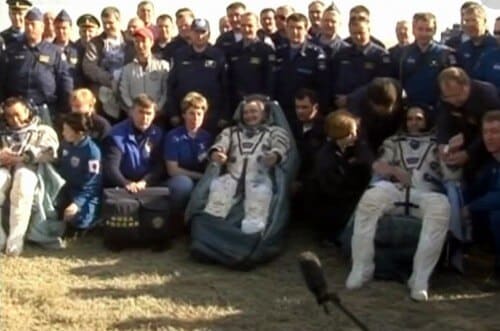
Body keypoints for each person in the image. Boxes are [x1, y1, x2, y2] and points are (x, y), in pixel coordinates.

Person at [346, 105, 458, 301]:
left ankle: (420, 278)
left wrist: (449, 157)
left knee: (441, 207)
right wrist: (394, 171)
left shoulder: (438, 144)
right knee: (370, 200)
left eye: (419, 118)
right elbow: (380, 166)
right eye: (410, 119)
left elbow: (452, 176)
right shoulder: (393, 142)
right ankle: (361, 267)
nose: (413, 123)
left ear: (427, 121)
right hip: (395, 189)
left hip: (427, 191)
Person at [203, 96, 291, 234]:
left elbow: (281, 144)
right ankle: (210, 232)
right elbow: (221, 143)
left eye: (254, 111)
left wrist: (275, 155)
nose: (249, 115)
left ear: (264, 114)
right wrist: (217, 152)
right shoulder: (231, 132)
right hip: (232, 177)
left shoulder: (274, 132)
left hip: (258, 179)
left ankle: (252, 237)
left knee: (258, 203)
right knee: (217, 198)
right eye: (246, 112)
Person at [0, 97, 60, 256]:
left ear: (27, 111)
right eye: (9, 116)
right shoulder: (2, 132)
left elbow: (50, 152)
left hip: (33, 171)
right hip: (4, 170)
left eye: (17, 114)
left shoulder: (43, 130)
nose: (14, 119)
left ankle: (15, 243)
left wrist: (21, 158)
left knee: (23, 180)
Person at [303, 110, 371, 242]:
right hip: (333, 208)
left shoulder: (355, 147)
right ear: (340, 135)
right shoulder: (325, 159)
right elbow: (336, 190)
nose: (355, 136)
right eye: (351, 133)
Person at [0, 7, 73, 123]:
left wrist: (64, 110)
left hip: (46, 110)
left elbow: (65, 82)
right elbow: (2, 79)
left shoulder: (54, 52)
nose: (29, 28)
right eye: (27, 24)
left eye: (33, 24)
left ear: (42, 27)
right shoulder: (11, 51)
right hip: (17, 112)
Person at [166, 18, 228, 134]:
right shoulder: (180, 55)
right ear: (190, 33)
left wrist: (224, 115)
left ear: (209, 34)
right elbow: (171, 85)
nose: (199, 36)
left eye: (203, 32)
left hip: (212, 117)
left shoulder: (218, 55)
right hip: (184, 116)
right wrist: (173, 113)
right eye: (196, 32)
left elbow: (226, 87)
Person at [437, 67, 500, 178]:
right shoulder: (447, 98)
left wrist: (469, 153)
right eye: (448, 97)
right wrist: (442, 143)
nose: (453, 101)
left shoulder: (487, 96)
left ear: (466, 86)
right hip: (464, 139)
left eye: (456, 96)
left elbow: (489, 132)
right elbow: (444, 121)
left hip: (489, 148)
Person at [462, 111, 500, 288]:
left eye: (495, 132)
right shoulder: (490, 165)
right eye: (486, 132)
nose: (489, 137)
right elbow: (475, 190)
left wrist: (469, 208)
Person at [274, 13, 328, 136]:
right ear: (286, 29)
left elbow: (324, 85)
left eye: (299, 28)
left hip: (307, 113)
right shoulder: (279, 52)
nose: (295, 32)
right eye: (291, 28)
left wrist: (318, 111)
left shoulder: (316, 53)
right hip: (283, 110)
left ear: (306, 29)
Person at [82, 6, 134, 122]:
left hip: (128, 92)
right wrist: (110, 80)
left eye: (110, 23)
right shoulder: (95, 43)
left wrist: (124, 80)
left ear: (119, 21)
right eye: (104, 23)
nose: (107, 26)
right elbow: (89, 67)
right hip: (103, 95)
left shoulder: (130, 42)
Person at [103, 94, 165, 191]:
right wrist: (126, 183)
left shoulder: (157, 134)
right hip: (122, 186)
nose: (145, 117)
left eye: (148, 113)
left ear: (154, 115)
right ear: (131, 112)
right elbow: (111, 168)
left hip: (147, 185)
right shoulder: (116, 135)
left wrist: (145, 182)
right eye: (141, 112)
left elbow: (159, 166)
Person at [164, 92, 212, 211]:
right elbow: (172, 170)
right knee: (184, 185)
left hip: (201, 179)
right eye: (191, 113)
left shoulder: (207, 137)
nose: (195, 118)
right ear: (184, 115)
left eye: (199, 114)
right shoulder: (173, 136)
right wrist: (200, 177)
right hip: (179, 180)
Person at [397, 12, 456, 109]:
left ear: (434, 31)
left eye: (428, 30)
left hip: (438, 109)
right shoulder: (403, 54)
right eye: (420, 29)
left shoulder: (445, 53)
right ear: (413, 30)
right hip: (411, 109)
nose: (424, 34)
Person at [57, 112, 102, 238]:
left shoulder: (92, 152)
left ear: (79, 133)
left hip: (84, 193)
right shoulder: (65, 144)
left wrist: (77, 203)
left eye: (67, 130)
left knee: (80, 221)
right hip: (66, 189)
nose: (63, 133)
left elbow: (93, 183)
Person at [331, 18, 391, 106]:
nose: (358, 37)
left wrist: (351, 98)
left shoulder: (380, 55)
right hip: (342, 106)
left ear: (369, 31)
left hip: (368, 107)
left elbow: (379, 85)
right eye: (354, 33)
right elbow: (334, 79)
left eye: (361, 33)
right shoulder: (342, 54)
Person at [226, 12, 275, 110]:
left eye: (250, 26)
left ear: (257, 26)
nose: (246, 29)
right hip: (237, 104)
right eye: (243, 26)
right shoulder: (233, 50)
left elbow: (271, 81)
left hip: (258, 105)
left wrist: (265, 102)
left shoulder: (266, 50)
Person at [119, 27, 169, 115]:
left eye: (143, 41)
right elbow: (124, 92)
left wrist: (157, 108)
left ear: (151, 42)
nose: (140, 45)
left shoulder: (162, 66)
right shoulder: (127, 69)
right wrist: (133, 108)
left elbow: (166, 90)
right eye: (137, 42)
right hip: (134, 116)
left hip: (157, 115)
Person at [456, 3, 497, 76]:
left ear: (484, 21)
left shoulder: (496, 45)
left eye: (474, 20)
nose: (470, 25)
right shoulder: (463, 48)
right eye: (467, 21)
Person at [53, 10, 83, 87]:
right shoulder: (48, 49)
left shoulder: (79, 50)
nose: (61, 31)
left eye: (64, 28)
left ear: (70, 28)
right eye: (58, 28)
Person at [75, 14, 101, 88]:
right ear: (79, 32)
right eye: (84, 31)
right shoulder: (73, 49)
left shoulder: (102, 48)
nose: (87, 34)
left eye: (90, 31)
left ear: (97, 32)